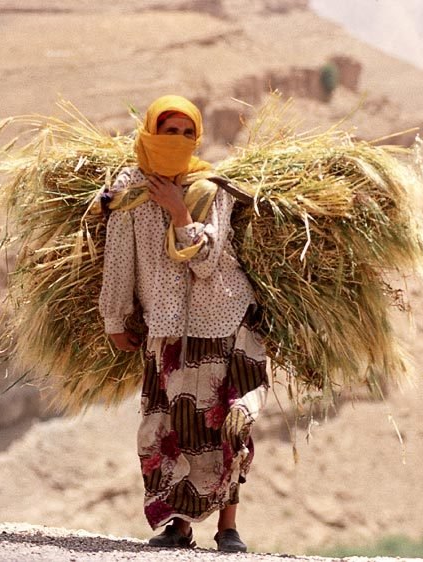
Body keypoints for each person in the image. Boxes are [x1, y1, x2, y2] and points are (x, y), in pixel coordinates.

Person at [98, 95, 268, 553]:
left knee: (226, 426)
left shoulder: (210, 188)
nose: (177, 141)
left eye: (186, 133)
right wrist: (115, 318)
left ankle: (227, 527)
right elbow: (118, 262)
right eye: (168, 131)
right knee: (168, 427)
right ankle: (177, 525)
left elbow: (211, 262)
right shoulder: (127, 191)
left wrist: (178, 210)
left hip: (224, 319)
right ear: (151, 132)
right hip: (166, 327)